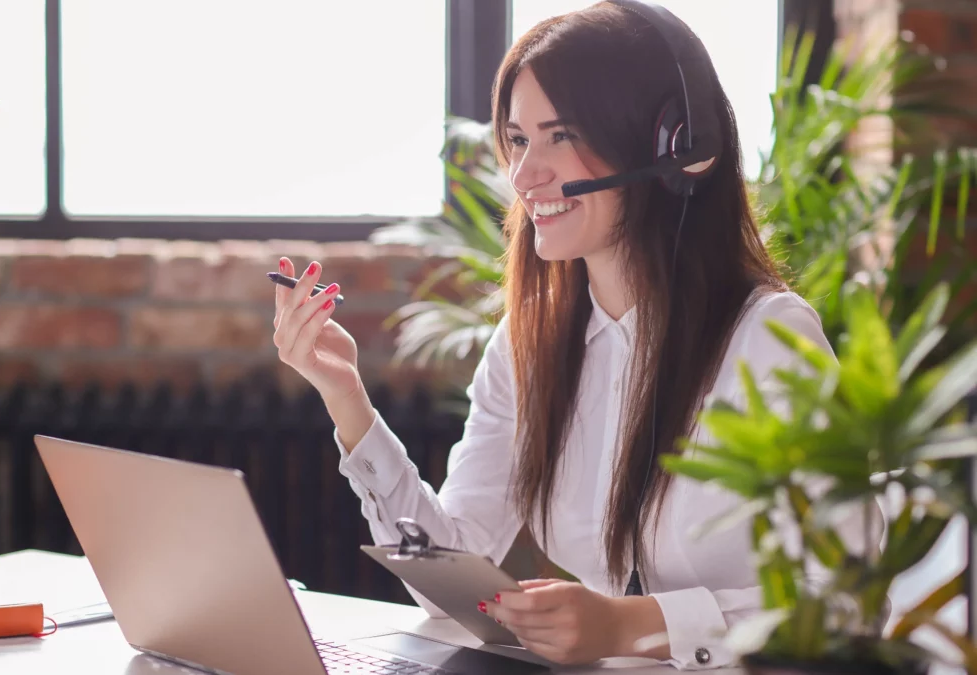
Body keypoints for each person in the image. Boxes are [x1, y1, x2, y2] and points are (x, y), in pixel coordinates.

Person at [272, 2, 882, 670]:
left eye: (560, 135)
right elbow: (448, 576)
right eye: (518, 139)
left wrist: (631, 626)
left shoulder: (767, 337)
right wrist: (348, 402)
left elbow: (846, 601)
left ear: (670, 149)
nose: (523, 174)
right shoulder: (528, 343)